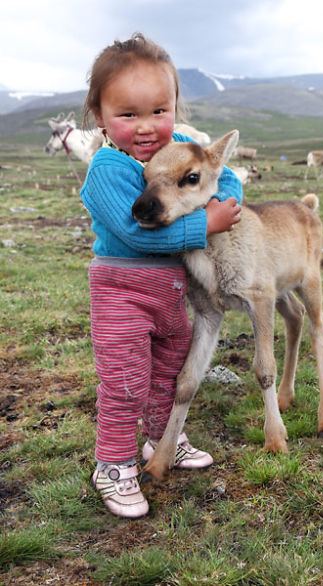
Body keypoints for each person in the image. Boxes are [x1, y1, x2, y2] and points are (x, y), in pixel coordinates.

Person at [80, 33, 243, 519]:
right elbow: (138, 235)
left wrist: (217, 182)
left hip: (173, 296)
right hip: (121, 294)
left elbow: (219, 176)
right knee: (126, 380)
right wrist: (205, 223)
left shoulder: (170, 154)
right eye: (128, 114)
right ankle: (112, 464)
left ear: (175, 106)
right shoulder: (107, 170)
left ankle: (162, 438)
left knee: (170, 371)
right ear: (100, 116)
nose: (147, 126)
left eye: (159, 111)